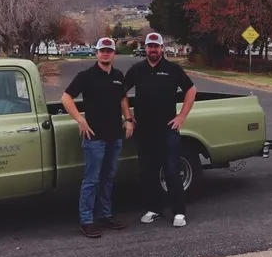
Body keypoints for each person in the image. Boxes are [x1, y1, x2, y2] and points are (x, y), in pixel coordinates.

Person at [61, 37, 134, 238]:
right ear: (97, 53)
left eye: (109, 50)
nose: (106, 53)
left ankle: (106, 215)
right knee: (91, 180)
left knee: (108, 178)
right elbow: (66, 97)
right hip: (94, 138)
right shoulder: (86, 76)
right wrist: (80, 120)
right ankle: (86, 220)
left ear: (113, 54)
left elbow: (122, 98)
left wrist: (128, 119)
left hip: (114, 136)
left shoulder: (118, 76)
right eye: (102, 50)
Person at [124, 32, 197, 228]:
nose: (153, 50)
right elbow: (120, 92)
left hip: (167, 130)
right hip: (144, 131)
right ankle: (154, 209)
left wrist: (181, 116)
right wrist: (128, 118)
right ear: (145, 48)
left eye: (156, 47)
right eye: (150, 47)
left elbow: (191, 90)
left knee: (172, 171)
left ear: (162, 48)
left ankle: (179, 212)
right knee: (148, 172)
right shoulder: (137, 70)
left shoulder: (172, 69)